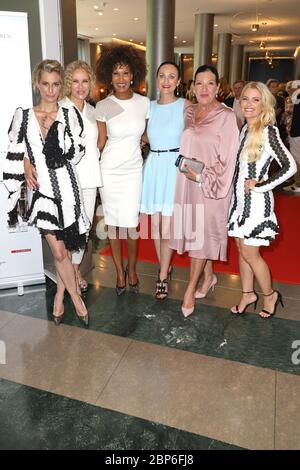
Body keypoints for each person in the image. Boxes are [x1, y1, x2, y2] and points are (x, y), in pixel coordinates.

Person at [3, 59, 90, 325]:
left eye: (55, 84)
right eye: (45, 84)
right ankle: (76, 299)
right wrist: (26, 161)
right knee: (60, 253)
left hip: (68, 190)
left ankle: (60, 296)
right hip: (42, 195)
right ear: (36, 84)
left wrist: (60, 144)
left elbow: (78, 154)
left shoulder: (69, 114)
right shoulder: (24, 116)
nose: (50, 91)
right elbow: (15, 152)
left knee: (67, 250)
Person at [169, 65, 239, 317]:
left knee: (200, 238)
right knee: (198, 234)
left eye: (210, 84)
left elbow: (228, 158)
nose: (204, 89)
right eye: (199, 83)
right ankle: (208, 277)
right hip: (188, 181)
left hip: (212, 186)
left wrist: (207, 179)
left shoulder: (227, 116)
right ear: (193, 86)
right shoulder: (188, 111)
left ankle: (189, 291)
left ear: (219, 88)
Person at [228, 81, 297, 318]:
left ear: (264, 104)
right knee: (240, 248)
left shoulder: (268, 131)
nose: (249, 104)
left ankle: (269, 295)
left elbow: (289, 167)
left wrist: (262, 185)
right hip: (239, 202)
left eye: (255, 100)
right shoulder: (246, 129)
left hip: (256, 204)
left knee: (250, 253)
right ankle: (248, 293)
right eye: (245, 98)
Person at [95, 45, 150, 295]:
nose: (120, 79)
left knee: (131, 225)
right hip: (110, 171)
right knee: (114, 226)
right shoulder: (104, 105)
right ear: (109, 75)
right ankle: (119, 272)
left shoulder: (144, 103)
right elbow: (101, 142)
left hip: (133, 171)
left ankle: (133, 269)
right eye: (116, 73)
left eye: (125, 73)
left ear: (133, 75)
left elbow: (148, 135)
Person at [140, 62, 186, 299]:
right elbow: (144, 132)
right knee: (156, 227)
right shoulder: (149, 107)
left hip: (174, 169)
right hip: (154, 167)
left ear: (179, 82)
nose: (166, 81)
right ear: (156, 80)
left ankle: (163, 277)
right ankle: (165, 267)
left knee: (167, 228)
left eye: (172, 77)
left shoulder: (185, 106)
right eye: (162, 76)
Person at [60, 60, 103, 292]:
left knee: (83, 230)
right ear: (68, 83)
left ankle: (74, 273)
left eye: (84, 81)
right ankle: (68, 276)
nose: (80, 86)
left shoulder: (93, 110)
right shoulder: (60, 109)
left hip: (89, 179)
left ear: (90, 83)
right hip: (66, 181)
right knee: (68, 229)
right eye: (75, 81)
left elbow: (98, 142)